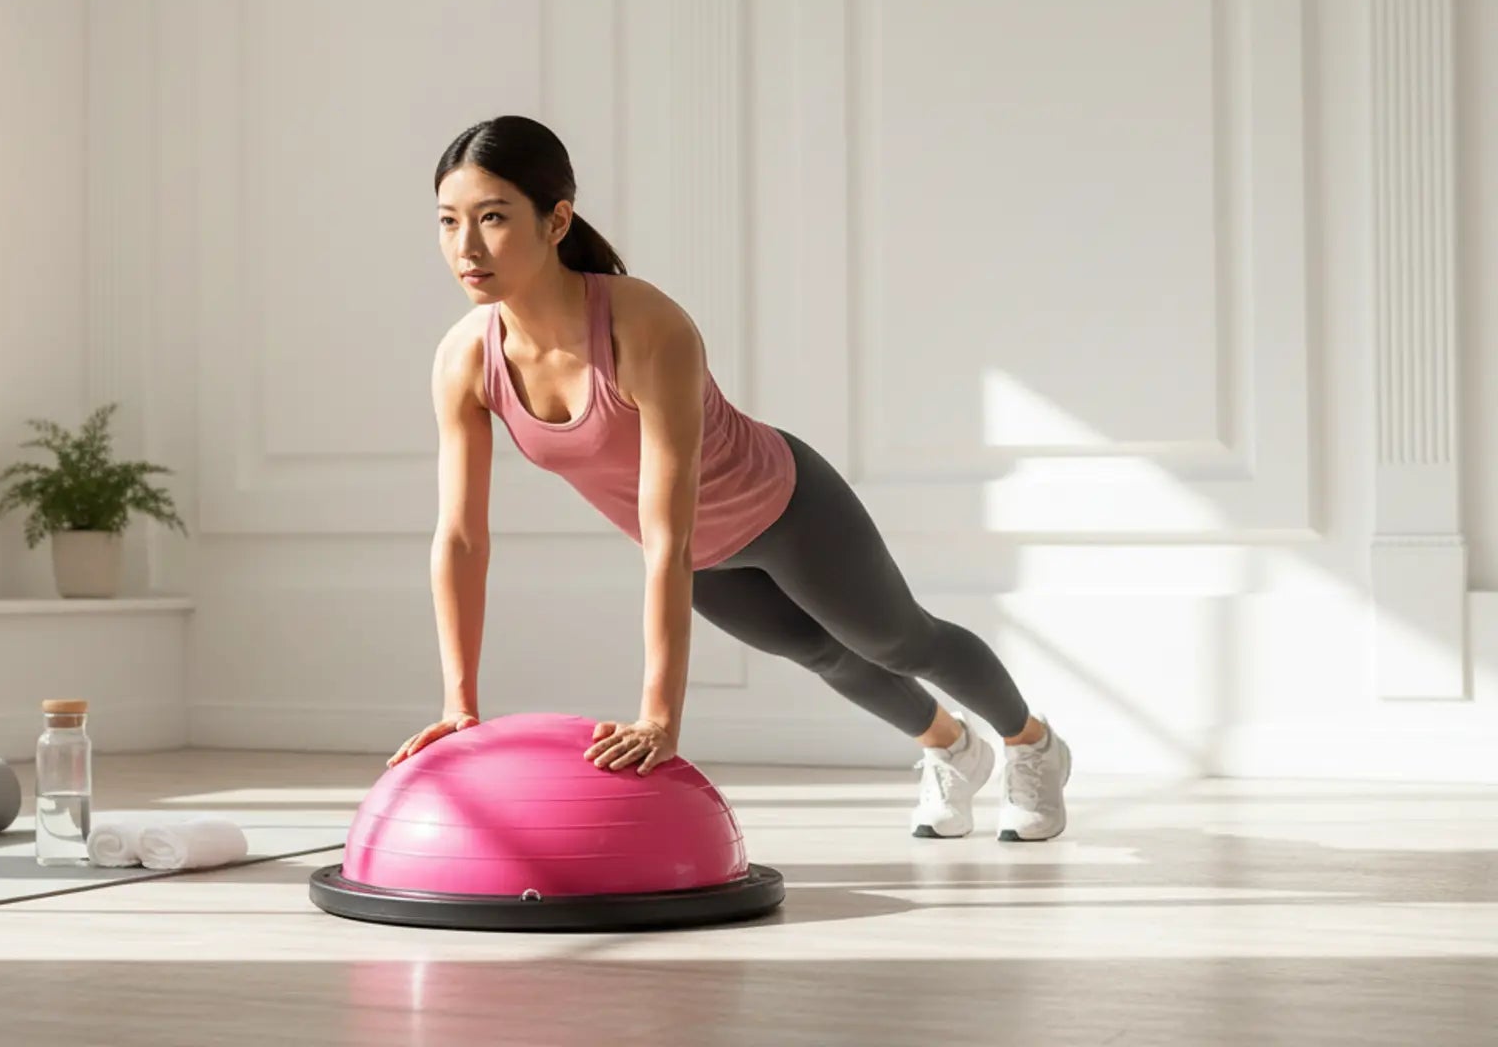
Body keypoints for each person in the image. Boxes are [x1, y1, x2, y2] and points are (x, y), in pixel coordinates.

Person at [387, 115, 1073, 842]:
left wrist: (660, 715)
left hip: (783, 509)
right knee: (821, 653)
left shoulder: (644, 327)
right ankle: (950, 749)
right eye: (448, 221)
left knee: (898, 643)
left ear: (556, 221)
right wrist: (459, 704)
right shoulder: (465, 358)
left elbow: (667, 533)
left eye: (492, 218)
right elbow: (461, 537)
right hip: (704, 557)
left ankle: (1031, 745)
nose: (465, 248)